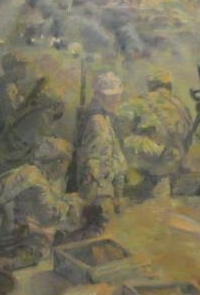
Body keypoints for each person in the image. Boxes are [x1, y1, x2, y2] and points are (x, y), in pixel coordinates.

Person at [0, 138, 80, 294]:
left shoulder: (26, 171)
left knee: (31, 228)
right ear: (59, 162)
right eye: (67, 164)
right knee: (40, 246)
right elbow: (49, 216)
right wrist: (71, 206)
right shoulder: (38, 181)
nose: (66, 169)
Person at [117, 69, 192, 199]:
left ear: (151, 85)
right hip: (175, 157)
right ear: (169, 85)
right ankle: (161, 180)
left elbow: (119, 120)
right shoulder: (180, 105)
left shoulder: (139, 101)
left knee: (123, 141)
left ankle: (148, 178)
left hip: (154, 156)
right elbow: (188, 133)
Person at [73, 71, 127, 234]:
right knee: (98, 227)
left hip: (106, 184)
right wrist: (97, 195)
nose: (114, 100)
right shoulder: (97, 121)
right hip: (99, 188)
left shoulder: (105, 117)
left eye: (116, 96)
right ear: (98, 96)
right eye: (109, 96)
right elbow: (93, 160)